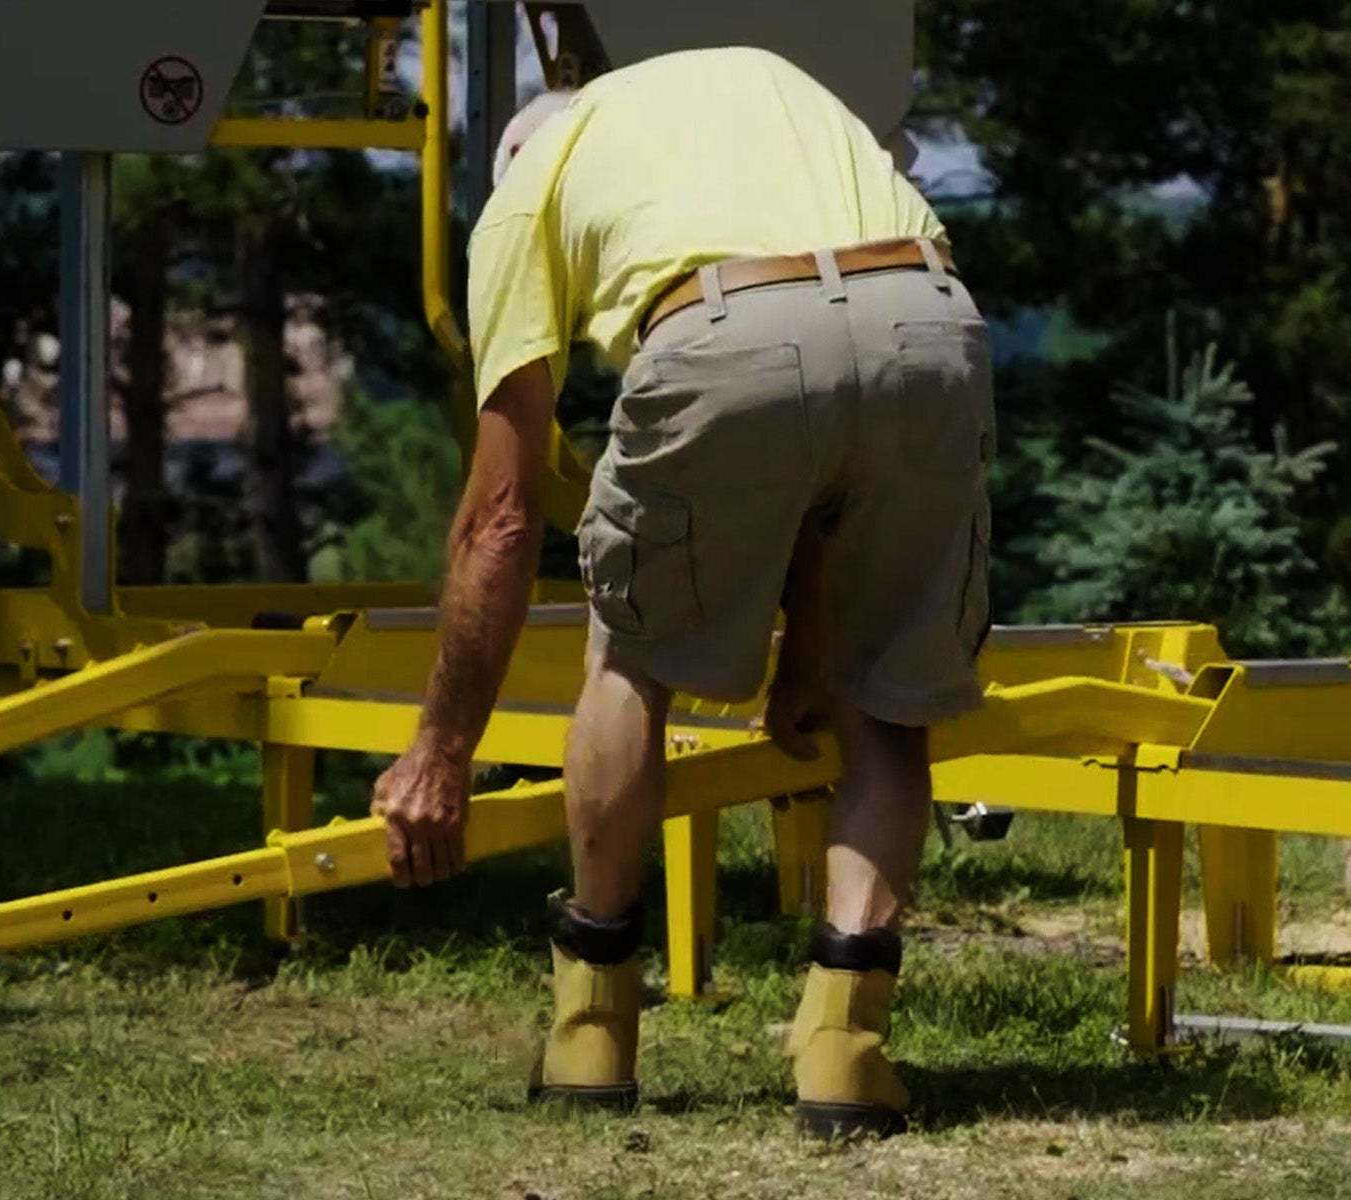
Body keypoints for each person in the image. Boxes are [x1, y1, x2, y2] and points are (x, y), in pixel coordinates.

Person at [369, 45, 993, 1140]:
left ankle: (592, 1026)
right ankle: (846, 1050)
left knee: (631, 657)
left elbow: (501, 515)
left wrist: (440, 750)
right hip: (930, 319)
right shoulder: (756, 84)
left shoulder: (528, 188)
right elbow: (830, 387)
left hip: (721, 330)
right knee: (887, 705)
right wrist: (809, 661)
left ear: (515, 155)